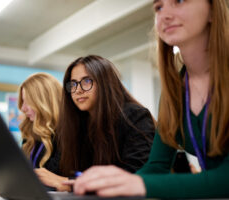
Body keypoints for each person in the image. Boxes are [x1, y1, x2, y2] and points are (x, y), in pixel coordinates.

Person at [71, 0, 229, 198]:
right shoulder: (175, 91)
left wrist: (139, 183)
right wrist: (114, 184)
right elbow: (156, 166)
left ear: (213, 10)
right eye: (158, 7)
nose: (164, 15)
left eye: (179, 1)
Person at [35, 55, 155, 191]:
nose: (78, 90)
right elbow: (59, 171)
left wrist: (69, 183)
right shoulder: (76, 123)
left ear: (105, 83)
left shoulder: (135, 116)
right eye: (73, 84)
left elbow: (134, 175)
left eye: (86, 81)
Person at [18, 72, 62, 174]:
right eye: (23, 102)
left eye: (28, 101)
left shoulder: (66, 135)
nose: (23, 108)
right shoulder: (30, 135)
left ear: (45, 102)